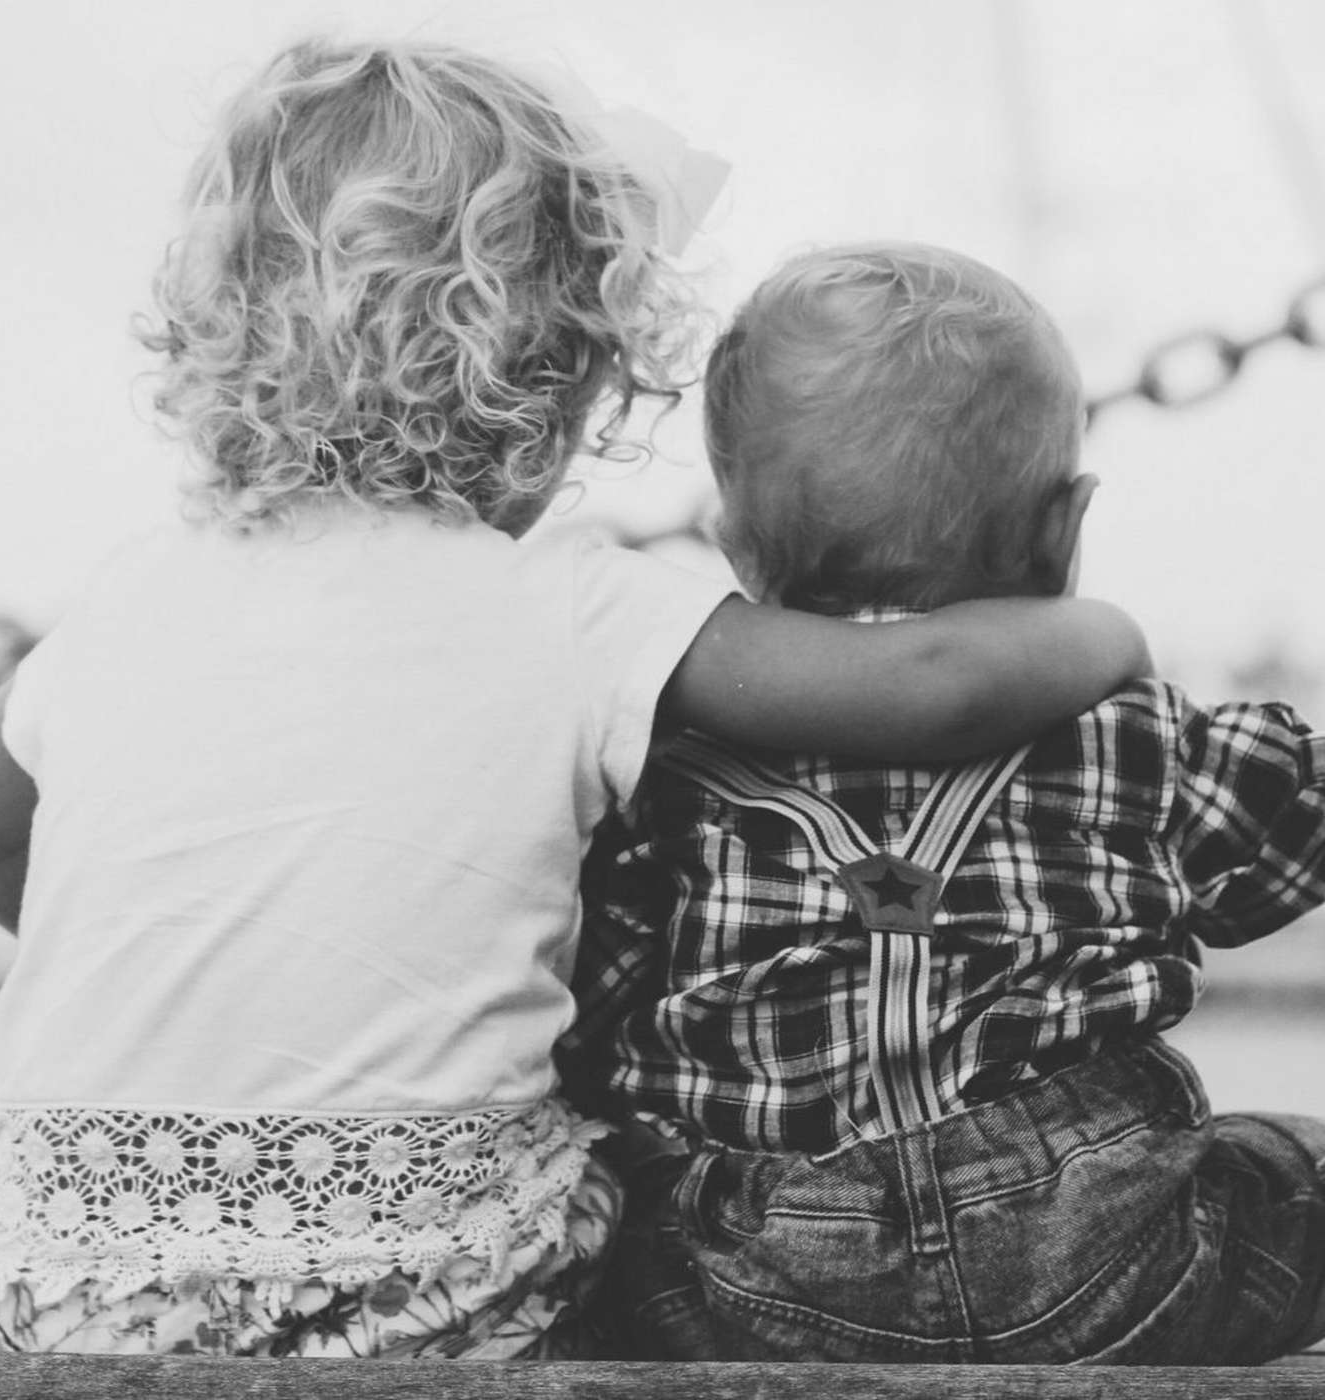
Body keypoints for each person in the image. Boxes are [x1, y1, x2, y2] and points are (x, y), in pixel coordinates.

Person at [0, 46, 1146, 1359]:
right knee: (658, 1172)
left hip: (35, 1281)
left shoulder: (137, 592)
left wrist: (218, 974)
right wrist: (1102, 632)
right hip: (400, 1297)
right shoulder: (571, 606)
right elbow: (927, 685)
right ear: (559, 383)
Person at [563, 242, 1325, 1366]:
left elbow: (594, 1022)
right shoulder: (1137, 745)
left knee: (623, 1225)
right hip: (1120, 1261)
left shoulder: (666, 789)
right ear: (1063, 528)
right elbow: (1294, 826)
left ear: (736, 548)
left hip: (767, 1294)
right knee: (1293, 1171)